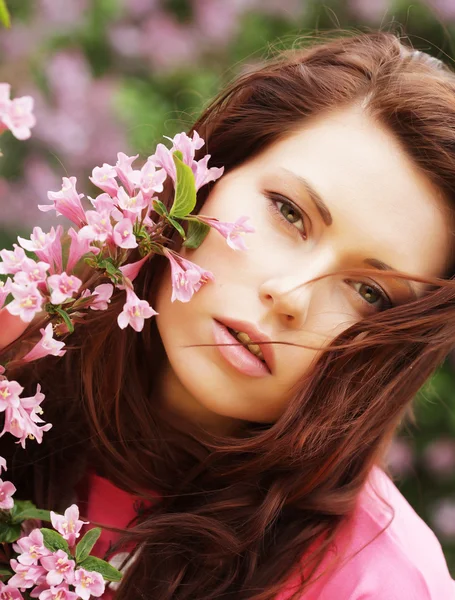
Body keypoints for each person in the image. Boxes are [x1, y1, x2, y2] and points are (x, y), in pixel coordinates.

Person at [1, 29, 455, 599]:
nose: (290, 296)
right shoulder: (17, 342)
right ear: (210, 170)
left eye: (369, 292)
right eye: (289, 213)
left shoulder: (378, 583)